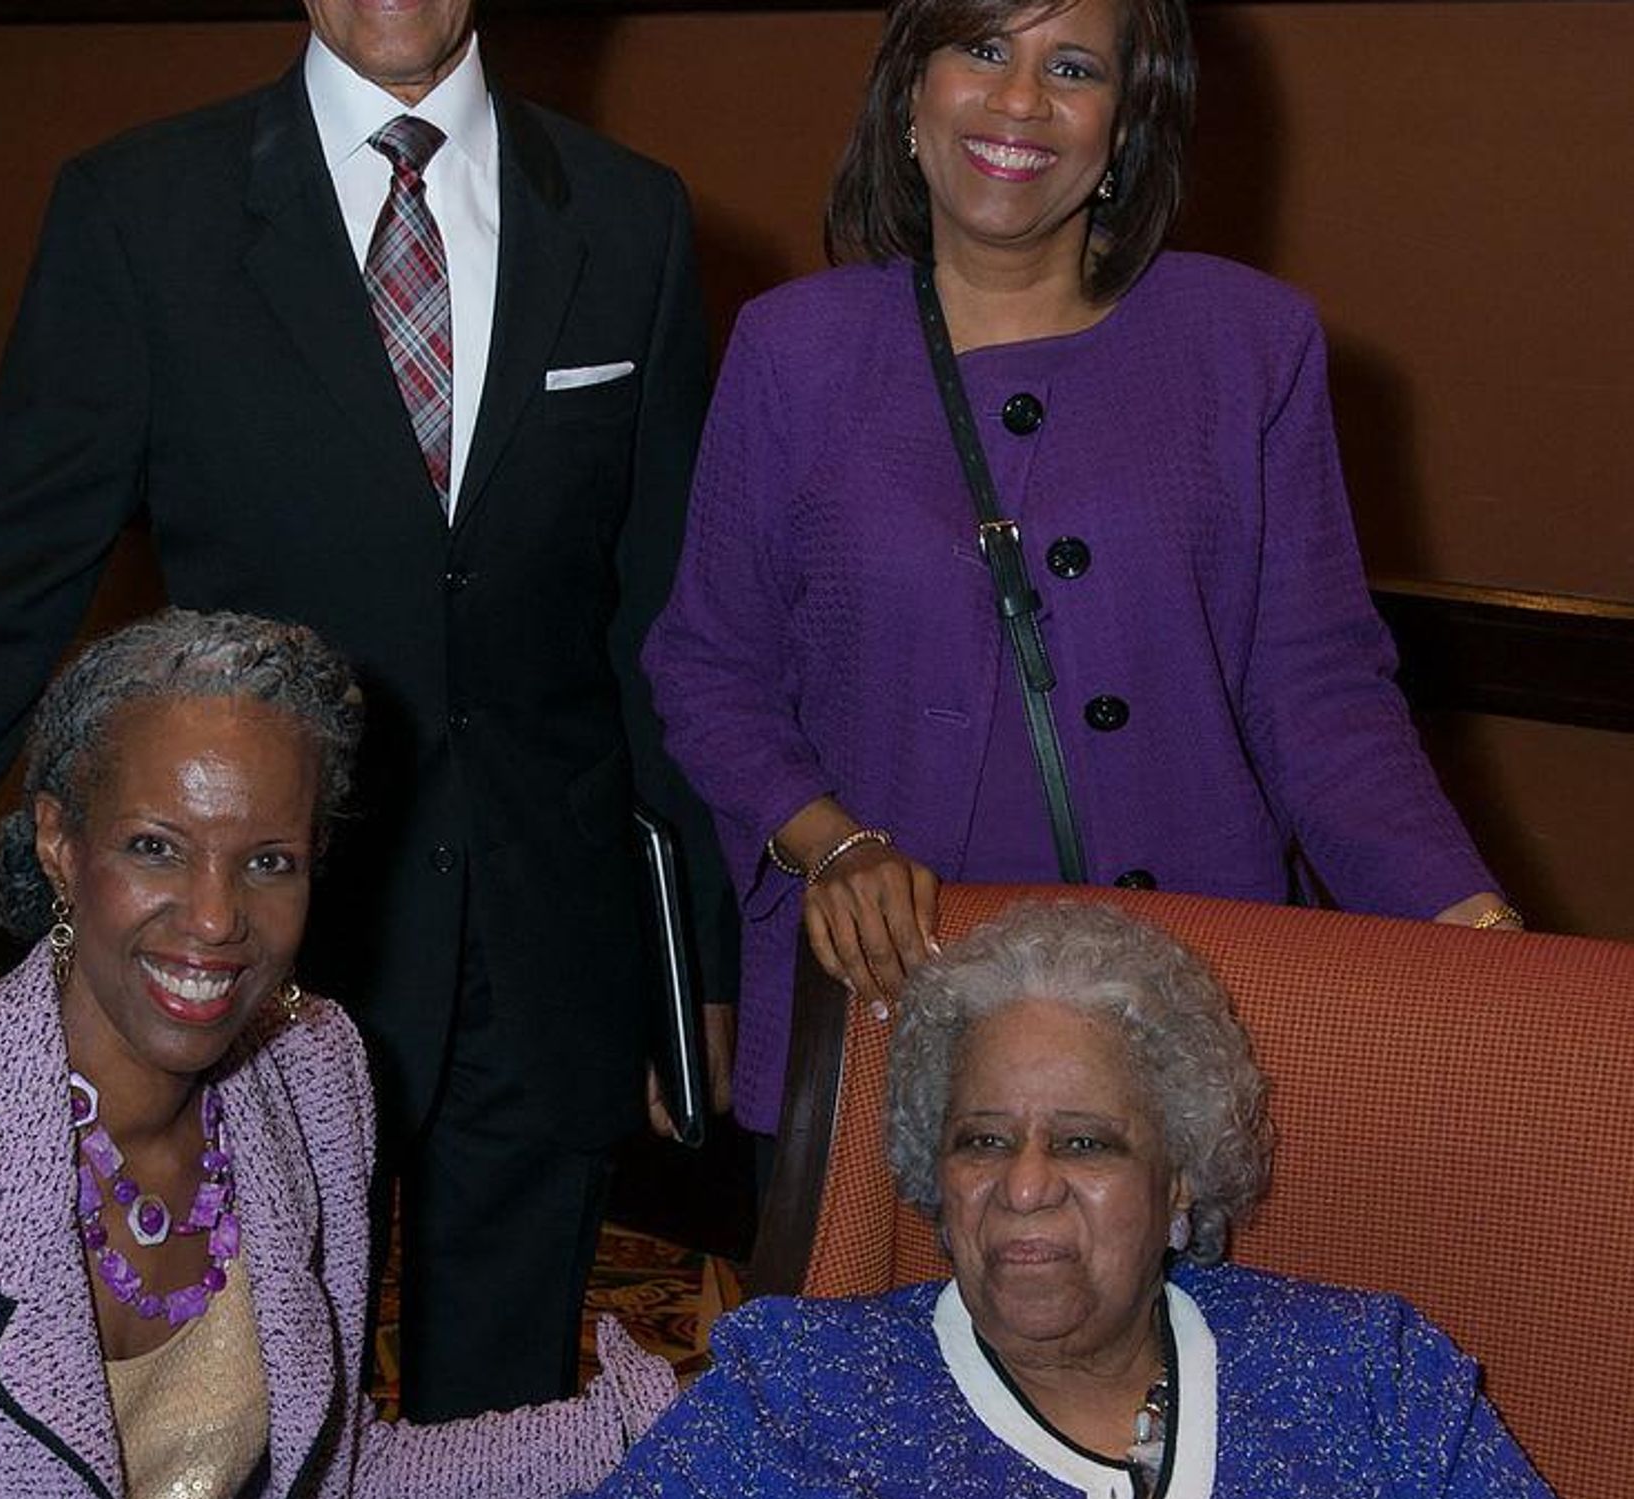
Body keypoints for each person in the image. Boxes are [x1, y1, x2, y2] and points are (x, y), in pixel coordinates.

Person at [0, 0, 731, 1421]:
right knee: (250, 1411)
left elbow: (667, 625)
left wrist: (692, 955)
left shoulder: (629, 218)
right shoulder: (141, 213)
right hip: (247, 968)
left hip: (547, 954)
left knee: (503, 1420)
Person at [639, 0, 1511, 1152]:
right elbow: (707, 669)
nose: (1018, 101)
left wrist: (1470, 919)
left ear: (1127, 122)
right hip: (888, 998)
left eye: (1072, 67)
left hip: (1182, 1001)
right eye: (982, 50)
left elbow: (1318, 694)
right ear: (909, 94)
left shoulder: (1247, 344)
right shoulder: (791, 349)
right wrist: (831, 843)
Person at [0, 610, 679, 1498]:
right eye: (155, 846)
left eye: (267, 861)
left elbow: (331, 1468)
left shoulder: (315, 1070)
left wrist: (634, 1428)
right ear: (59, 845)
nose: (215, 917)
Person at [586, 900, 1555, 1496]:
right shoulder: (798, 1393)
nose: (1023, 1182)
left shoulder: (1368, 1379)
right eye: (981, 1139)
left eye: (1084, 1140)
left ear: (1176, 1174)